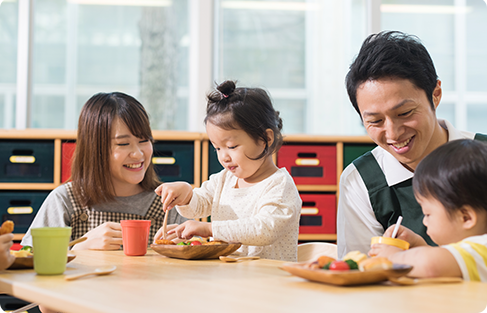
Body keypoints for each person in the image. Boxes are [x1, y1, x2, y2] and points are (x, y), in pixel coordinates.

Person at [337, 30, 487, 258]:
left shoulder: (483, 156)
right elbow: (360, 271)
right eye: (375, 121)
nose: (393, 133)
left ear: (435, 95)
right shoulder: (361, 181)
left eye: (405, 113)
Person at [154, 80, 301, 262]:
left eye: (231, 146)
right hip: (228, 279)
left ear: (266, 139)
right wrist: (186, 195)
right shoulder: (224, 179)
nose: (223, 157)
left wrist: (209, 229)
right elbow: (198, 206)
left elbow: (264, 228)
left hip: (268, 282)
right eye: (217, 148)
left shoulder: (279, 185)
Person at [21, 92, 187, 250]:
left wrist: (185, 249)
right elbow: (29, 257)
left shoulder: (168, 202)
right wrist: (80, 248)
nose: (138, 153)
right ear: (95, 149)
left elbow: (198, 258)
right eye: (123, 144)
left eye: (144, 141)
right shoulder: (65, 200)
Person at [369, 139, 487, 281]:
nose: (424, 221)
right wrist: (418, 244)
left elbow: (431, 266)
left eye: (428, 214)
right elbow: (449, 262)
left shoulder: (482, 247)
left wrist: (392, 257)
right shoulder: (475, 254)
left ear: (466, 217)